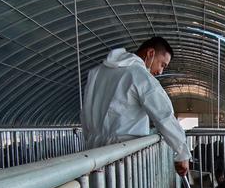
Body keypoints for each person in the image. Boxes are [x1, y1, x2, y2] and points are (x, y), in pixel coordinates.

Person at [81, 37, 190, 176]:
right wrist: (182, 152)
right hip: (124, 158)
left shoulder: (96, 73)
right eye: (162, 64)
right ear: (150, 53)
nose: (161, 71)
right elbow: (163, 115)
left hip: (94, 154)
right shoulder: (139, 75)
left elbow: (85, 114)